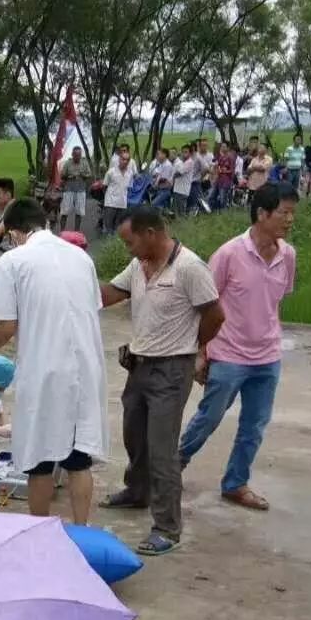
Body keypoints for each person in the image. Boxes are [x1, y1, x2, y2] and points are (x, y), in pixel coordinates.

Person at [99, 205, 225, 556]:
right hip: (138, 366)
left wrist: (193, 347)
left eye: (130, 242)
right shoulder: (140, 266)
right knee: (134, 436)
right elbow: (110, 294)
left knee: (162, 449)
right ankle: (137, 492)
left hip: (171, 370)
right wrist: (71, 287)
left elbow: (215, 315)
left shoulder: (189, 268)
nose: (128, 249)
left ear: (150, 234)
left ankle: (167, 527)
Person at [0, 197, 108, 525]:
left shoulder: (13, 262)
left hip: (45, 368)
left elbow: (6, 327)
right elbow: (91, 308)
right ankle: (82, 529)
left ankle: (39, 532)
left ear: (14, 233)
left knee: (39, 457)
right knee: (78, 459)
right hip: (85, 368)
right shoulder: (81, 258)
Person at [179, 183, 298, 511]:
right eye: (283, 212)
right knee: (210, 417)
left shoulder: (288, 255)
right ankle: (174, 464)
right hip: (229, 354)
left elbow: (276, 304)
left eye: (292, 213)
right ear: (262, 213)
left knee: (254, 426)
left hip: (268, 357)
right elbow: (204, 304)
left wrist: (273, 338)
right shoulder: (229, 254)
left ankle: (236, 483)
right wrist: (201, 353)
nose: (290, 220)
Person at [101, 145, 136, 236]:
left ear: (129, 162)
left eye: (127, 160)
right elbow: (104, 186)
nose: (125, 161)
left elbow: (128, 187)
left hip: (122, 204)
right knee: (108, 228)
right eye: (123, 159)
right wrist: (109, 197)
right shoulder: (111, 172)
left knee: (118, 228)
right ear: (119, 159)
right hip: (111, 203)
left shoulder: (130, 173)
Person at [58, 146, 93, 234]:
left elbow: (89, 175)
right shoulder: (67, 163)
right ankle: (62, 231)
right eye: (76, 155)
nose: (77, 157)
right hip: (68, 189)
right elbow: (62, 176)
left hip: (80, 190)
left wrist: (83, 175)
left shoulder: (84, 163)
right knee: (64, 211)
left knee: (79, 211)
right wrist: (69, 177)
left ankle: (76, 232)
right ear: (72, 155)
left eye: (79, 155)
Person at [188, 138, 214, 212]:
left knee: (200, 197)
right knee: (196, 197)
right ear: (199, 146)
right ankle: (198, 210)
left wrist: (203, 177)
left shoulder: (209, 155)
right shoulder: (194, 155)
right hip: (193, 180)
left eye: (205, 145)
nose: (204, 147)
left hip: (202, 179)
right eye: (202, 145)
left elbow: (209, 168)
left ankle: (206, 210)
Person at [210, 143, 235, 210]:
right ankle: (213, 210)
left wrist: (225, 171)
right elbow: (217, 167)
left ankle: (223, 213)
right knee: (211, 196)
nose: (223, 148)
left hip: (225, 182)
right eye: (222, 147)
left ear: (227, 148)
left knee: (222, 200)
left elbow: (232, 171)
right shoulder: (220, 157)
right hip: (218, 180)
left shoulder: (230, 157)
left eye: (224, 146)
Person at [171, 144, 194, 217]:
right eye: (183, 152)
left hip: (183, 190)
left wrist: (173, 175)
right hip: (178, 189)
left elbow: (179, 173)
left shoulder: (189, 162)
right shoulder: (182, 162)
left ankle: (183, 225)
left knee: (181, 212)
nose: (184, 154)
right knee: (176, 210)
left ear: (190, 153)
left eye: (186, 152)